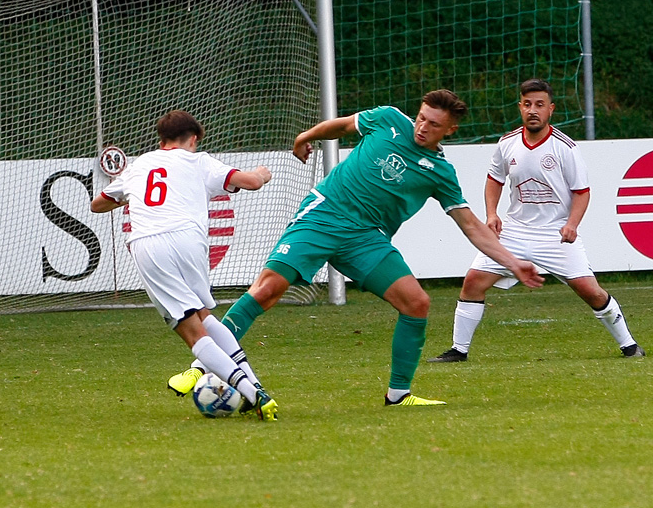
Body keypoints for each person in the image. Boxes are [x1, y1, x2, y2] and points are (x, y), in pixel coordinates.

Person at [167, 90, 544, 406]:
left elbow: (471, 226)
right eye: (422, 117)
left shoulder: (440, 171)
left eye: (433, 124)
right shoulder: (388, 119)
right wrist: (305, 136)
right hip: (324, 215)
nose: (423, 126)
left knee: (417, 303)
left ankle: (399, 395)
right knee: (267, 290)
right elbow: (343, 125)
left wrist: (512, 263)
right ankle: (200, 366)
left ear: (450, 130)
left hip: (367, 237)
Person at [429, 79, 644, 363]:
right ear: (520, 107)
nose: (533, 110)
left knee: (590, 291)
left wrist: (572, 225)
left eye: (540, 105)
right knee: (473, 281)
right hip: (514, 233)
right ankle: (459, 350)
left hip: (555, 235)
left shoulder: (565, 147)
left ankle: (629, 345)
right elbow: (494, 180)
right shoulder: (507, 144)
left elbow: (582, 193)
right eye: (527, 104)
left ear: (550, 109)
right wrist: (492, 214)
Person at [91, 110, 279, 421]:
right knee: (204, 317)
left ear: (161, 139)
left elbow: (97, 204)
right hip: (191, 241)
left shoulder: (140, 165)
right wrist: (262, 173)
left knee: (192, 332)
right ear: (192, 139)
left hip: (150, 243)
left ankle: (253, 393)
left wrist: (128, 196)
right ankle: (254, 387)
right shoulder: (200, 161)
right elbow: (250, 182)